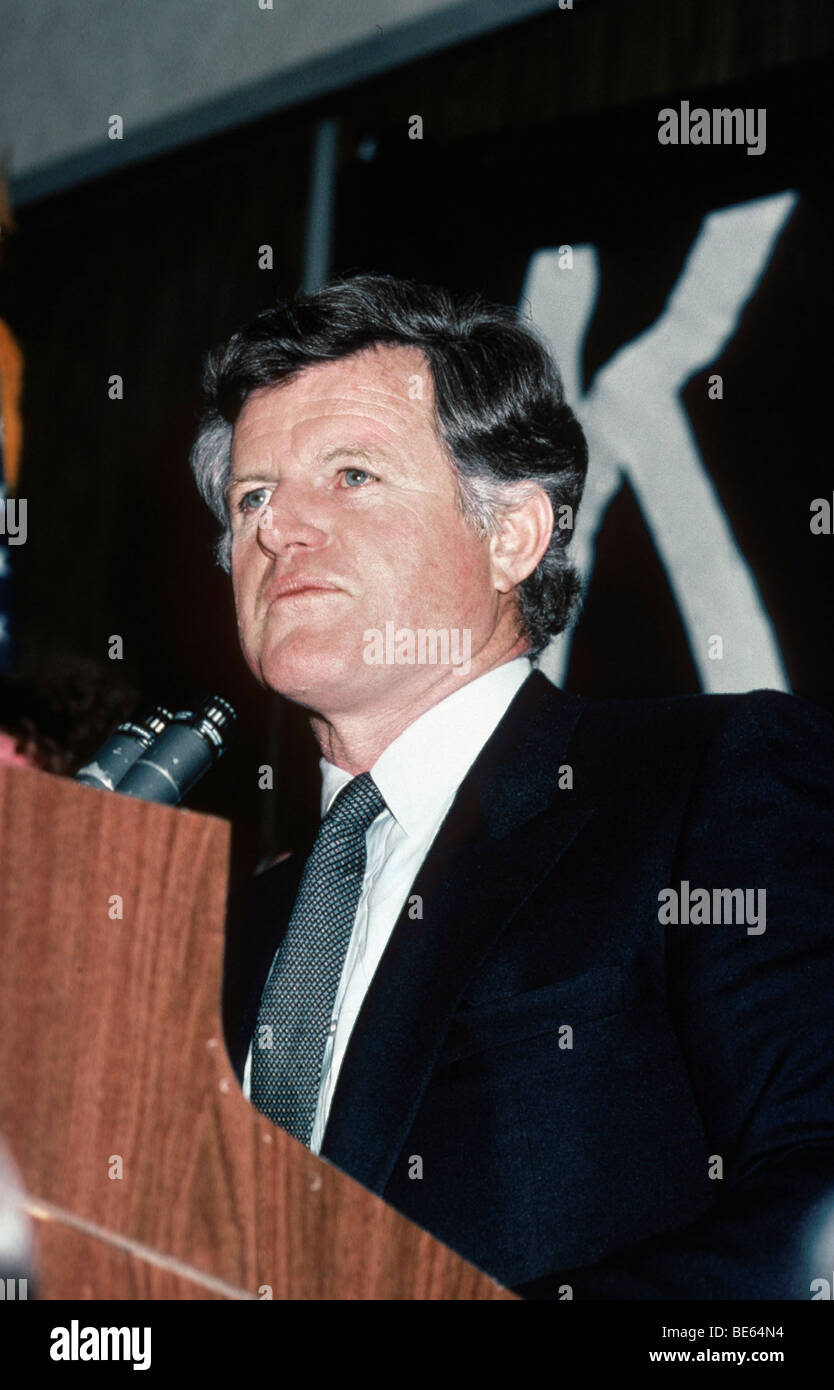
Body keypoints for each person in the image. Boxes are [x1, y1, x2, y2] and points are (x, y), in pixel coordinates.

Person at [189, 273, 834, 1299]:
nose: (276, 529)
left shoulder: (705, 786)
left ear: (513, 535)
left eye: (351, 475)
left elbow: (817, 1216)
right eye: (253, 496)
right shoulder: (213, 930)